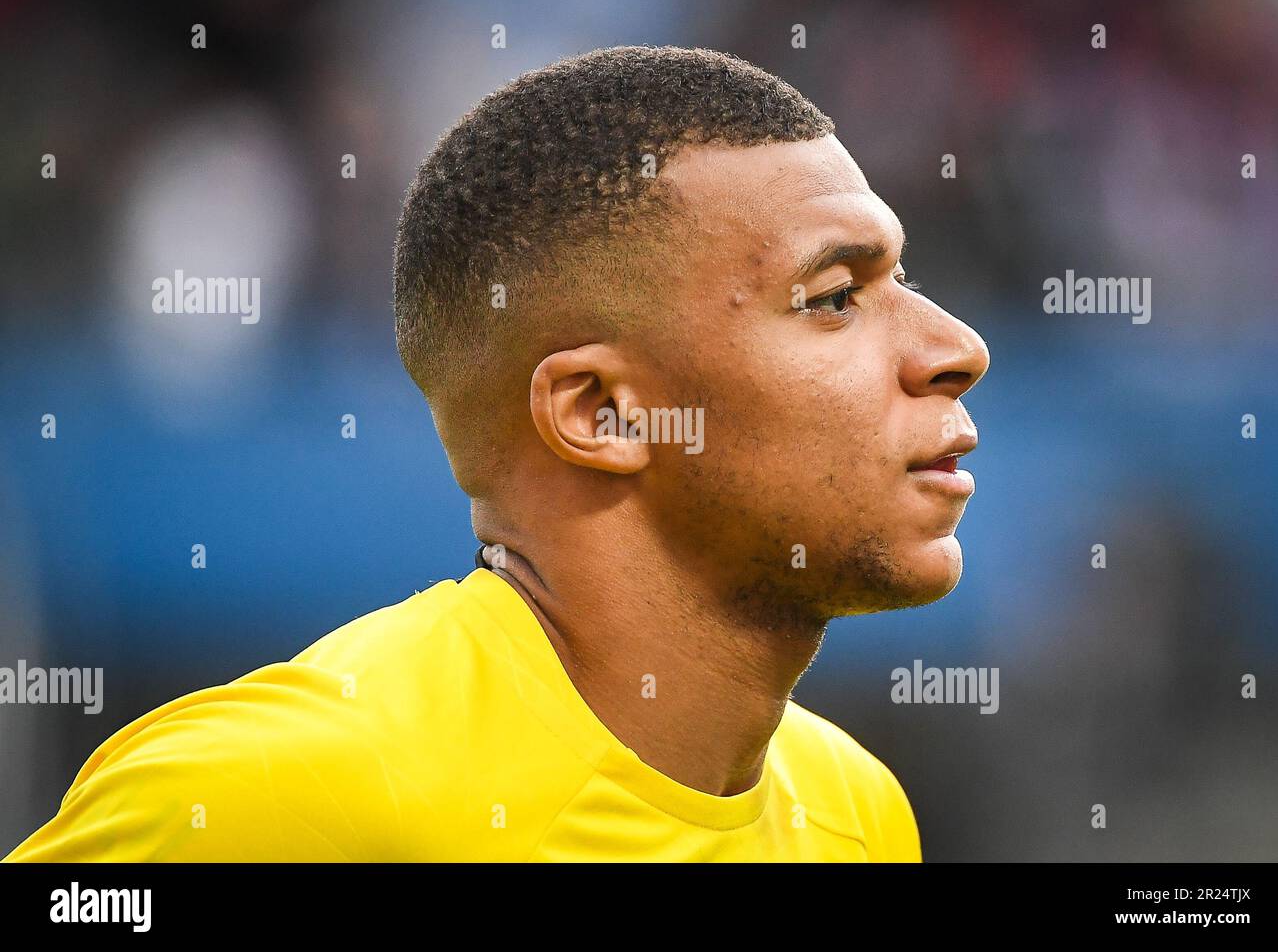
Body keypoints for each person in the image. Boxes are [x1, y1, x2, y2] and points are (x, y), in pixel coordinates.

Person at [6, 45, 987, 862]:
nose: (955, 348)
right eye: (832, 297)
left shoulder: (854, 813)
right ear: (603, 412)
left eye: (904, 278)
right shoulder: (264, 799)